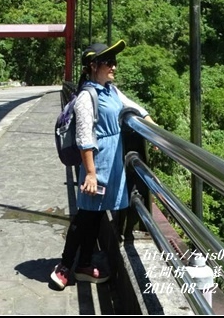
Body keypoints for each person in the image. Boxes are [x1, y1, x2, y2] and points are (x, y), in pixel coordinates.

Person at [50, 40, 153, 290]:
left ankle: (84, 264)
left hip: (112, 162)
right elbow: (85, 137)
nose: (114, 67)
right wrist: (91, 174)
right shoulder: (87, 96)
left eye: (114, 62)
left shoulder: (110, 91)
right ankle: (64, 266)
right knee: (86, 214)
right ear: (93, 65)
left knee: (95, 215)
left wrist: (152, 126)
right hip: (97, 165)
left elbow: (133, 106)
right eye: (109, 62)